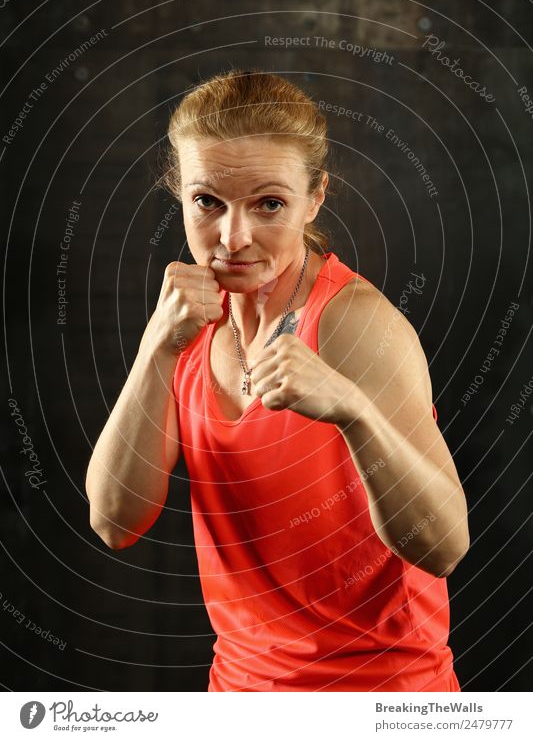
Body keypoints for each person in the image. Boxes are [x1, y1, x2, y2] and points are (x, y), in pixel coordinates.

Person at [86, 68, 470, 692]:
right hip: (236, 695)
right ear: (180, 194)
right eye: (207, 201)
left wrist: (354, 411)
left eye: (269, 204)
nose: (233, 238)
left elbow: (444, 546)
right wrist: (157, 347)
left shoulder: (355, 326)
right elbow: (115, 520)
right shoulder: (188, 323)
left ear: (315, 197)